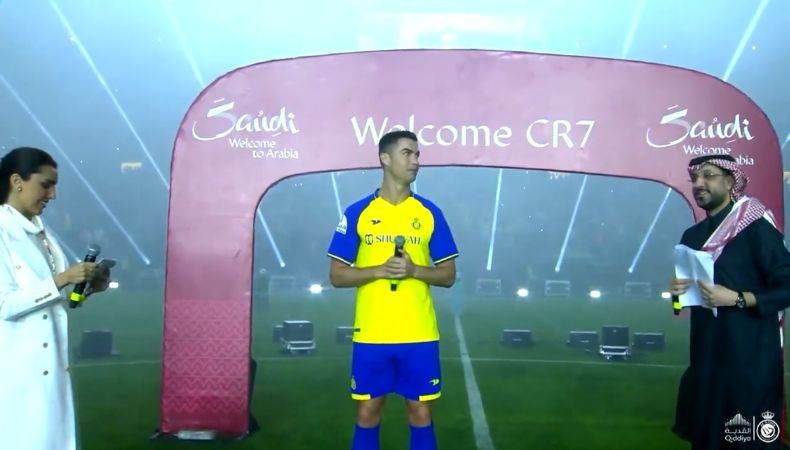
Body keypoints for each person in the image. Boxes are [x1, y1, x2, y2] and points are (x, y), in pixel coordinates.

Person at [327, 130, 458, 450]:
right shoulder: (358, 212)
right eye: (407, 153)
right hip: (372, 335)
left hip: (419, 334)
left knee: (420, 412)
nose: (415, 161)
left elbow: (448, 275)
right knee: (368, 412)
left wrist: (413, 271)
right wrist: (378, 270)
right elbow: (337, 276)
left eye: (417, 154)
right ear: (384, 159)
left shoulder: (430, 213)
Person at [670, 154, 790, 449]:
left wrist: (737, 299)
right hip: (706, 365)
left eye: (708, 175)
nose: (699, 183)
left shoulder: (756, 229)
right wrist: (677, 296)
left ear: (730, 181)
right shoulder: (691, 236)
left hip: (749, 365)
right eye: (695, 178)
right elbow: (684, 304)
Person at [0, 147, 111, 450]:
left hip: (51, 370)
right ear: (16, 181)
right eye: (46, 185)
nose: (53, 194)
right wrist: (63, 278)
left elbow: (54, 301)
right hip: (15, 374)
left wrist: (87, 287)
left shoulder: (43, 234)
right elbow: (6, 305)